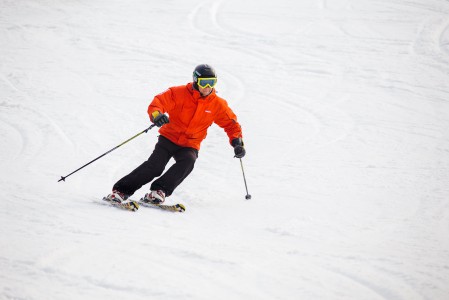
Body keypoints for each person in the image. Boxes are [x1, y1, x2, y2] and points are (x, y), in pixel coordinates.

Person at [104, 64, 246, 206]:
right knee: (155, 166)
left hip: (190, 143)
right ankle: (121, 191)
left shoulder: (217, 104)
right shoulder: (178, 93)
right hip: (169, 138)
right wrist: (157, 115)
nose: (208, 87)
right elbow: (157, 103)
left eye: (212, 82)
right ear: (196, 80)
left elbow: (231, 124)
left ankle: (159, 191)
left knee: (188, 162)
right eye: (204, 82)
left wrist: (237, 143)